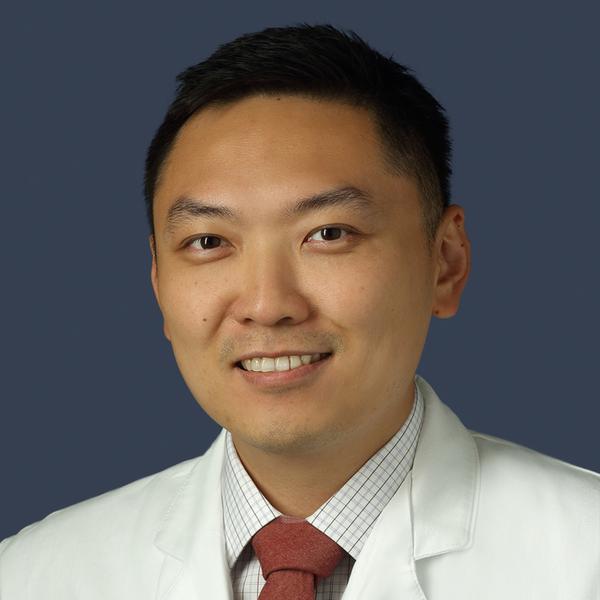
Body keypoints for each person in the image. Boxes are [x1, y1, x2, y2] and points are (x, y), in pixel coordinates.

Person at [0, 23, 598, 599]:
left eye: (328, 234)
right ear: (158, 283)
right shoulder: (33, 577)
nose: (267, 306)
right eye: (208, 242)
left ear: (445, 261)